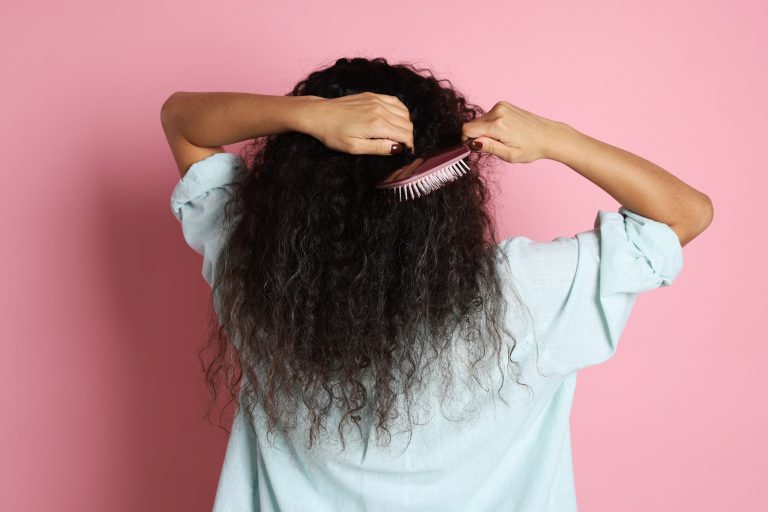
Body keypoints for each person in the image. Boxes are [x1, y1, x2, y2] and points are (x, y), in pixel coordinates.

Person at [160, 57, 713, 512]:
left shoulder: (259, 278)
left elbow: (181, 120)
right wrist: (555, 139)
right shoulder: (525, 294)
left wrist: (308, 116)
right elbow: (685, 213)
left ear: (294, 187)